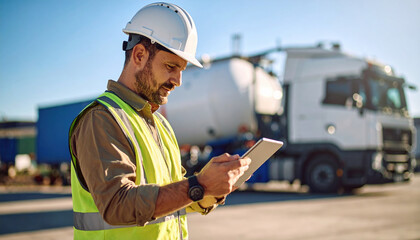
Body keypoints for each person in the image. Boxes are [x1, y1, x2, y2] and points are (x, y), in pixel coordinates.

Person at [69, 2, 251, 240]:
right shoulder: (101, 119)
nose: (178, 80)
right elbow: (117, 205)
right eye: (171, 66)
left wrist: (212, 187)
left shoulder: (160, 124)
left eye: (182, 69)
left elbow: (176, 196)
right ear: (139, 55)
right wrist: (200, 184)